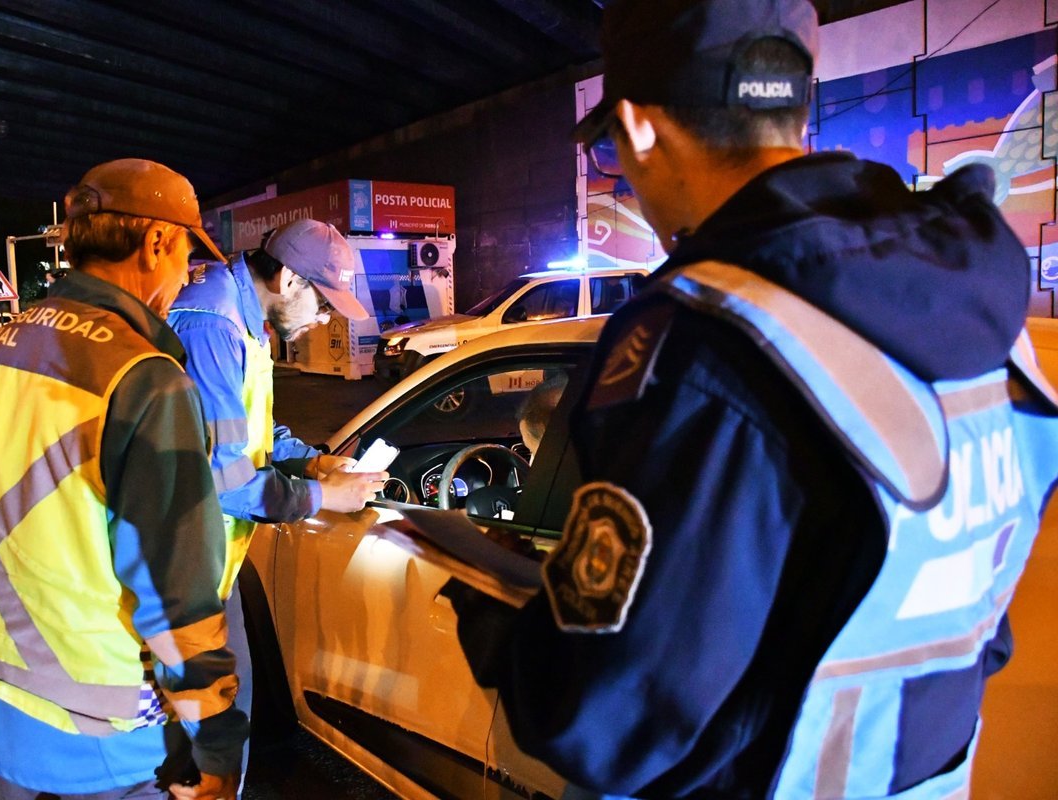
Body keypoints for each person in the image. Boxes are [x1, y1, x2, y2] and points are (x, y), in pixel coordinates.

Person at [445, 1, 1058, 798]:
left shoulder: (708, 347)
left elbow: (603, 720)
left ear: (635, 128)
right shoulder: (982, 301)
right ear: (797, 106)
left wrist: (492, 622)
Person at [0, 158, 248, 800]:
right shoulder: (145, 379)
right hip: (108, 736)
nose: (184, 277)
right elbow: (177, 595)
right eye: (184, 256)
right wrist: (217, 746)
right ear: (156, 243)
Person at [165, 219, 387, 769]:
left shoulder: (242, 316)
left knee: (227, 713)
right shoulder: (211, 325)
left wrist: (312, 458)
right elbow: (227, 478)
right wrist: (321, 497)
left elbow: (249, 432)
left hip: (213, 559)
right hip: (182, 563)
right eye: (323, 302)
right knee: (206, 734)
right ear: (289, 278)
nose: (324, 319)